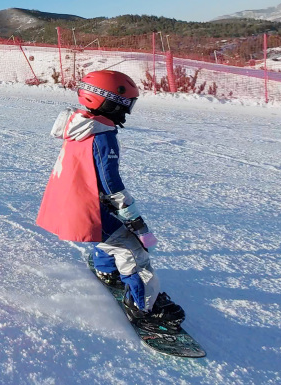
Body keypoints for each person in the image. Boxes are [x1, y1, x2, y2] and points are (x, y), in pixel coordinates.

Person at [36, 70, 185, 332]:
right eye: (123, 106)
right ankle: (143, 308)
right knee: (131, 247)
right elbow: (110, 182)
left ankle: (106, 267)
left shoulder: (81, 124)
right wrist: (132, 215)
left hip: (73, 200)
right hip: (84, 207)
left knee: (111, 231)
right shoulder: (103, 136)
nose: (126, 113)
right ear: (106, 102)